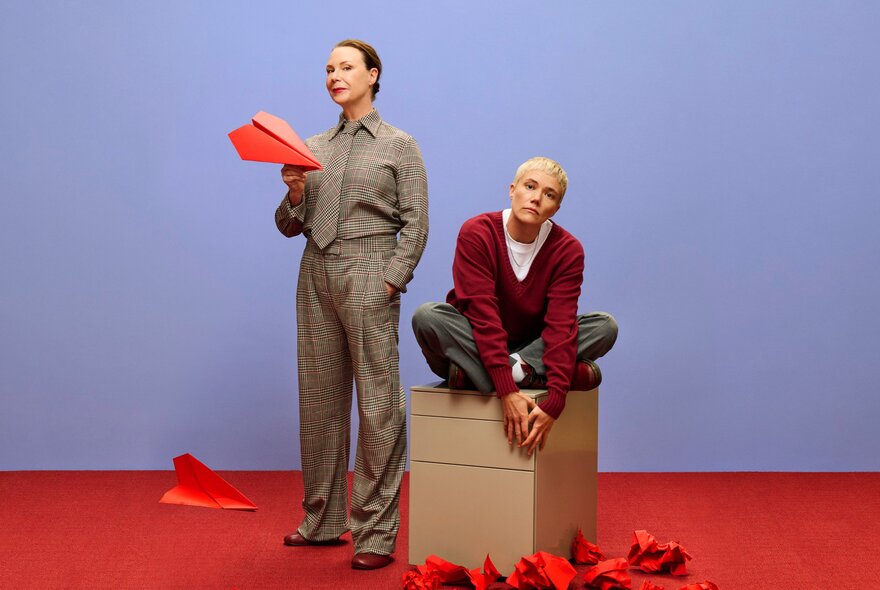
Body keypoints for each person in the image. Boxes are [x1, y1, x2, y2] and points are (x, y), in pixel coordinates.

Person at [274, 39, 428, 570]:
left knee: (378, 403)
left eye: (345, 67)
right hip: (315, 272)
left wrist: (392, 279)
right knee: (319, 400)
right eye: (328, 69)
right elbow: (288, 226)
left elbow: (417, 223)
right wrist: (295, 192)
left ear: (373, 74)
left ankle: (376, 533)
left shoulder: (398, 144)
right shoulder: (310, 146)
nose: (334, 76)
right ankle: (322, 520)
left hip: (370, 267)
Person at [412, 157, 616, 456]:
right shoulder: (477, 232)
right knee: (428, 316)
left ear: (556, 208)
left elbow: (560, 327)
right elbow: (483, 315)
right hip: (475, 341)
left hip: (532, 346)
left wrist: (556, 400)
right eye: (530, 186)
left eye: (549, 195)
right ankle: (523, 373)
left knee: (604, 326)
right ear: (512, 189)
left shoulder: (567, 250)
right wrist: (507, 389)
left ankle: (475, 375)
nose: (536, 198)